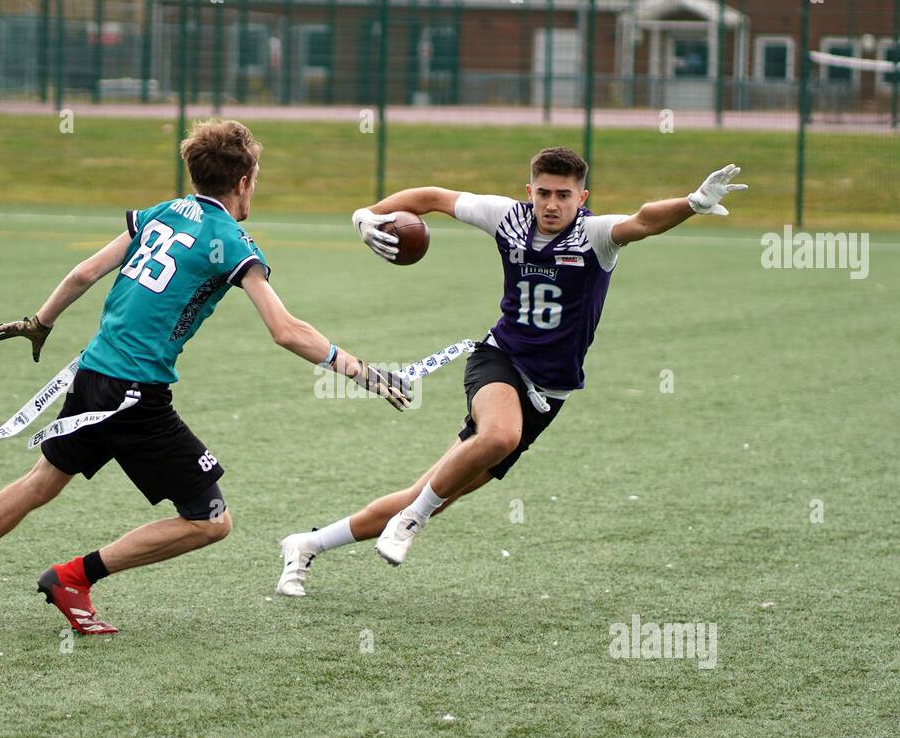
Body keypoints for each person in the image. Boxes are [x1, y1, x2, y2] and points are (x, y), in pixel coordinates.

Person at [0, 119, 409, 633]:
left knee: (41, 483)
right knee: (210, 522)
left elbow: (84, 273)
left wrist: (40, 323)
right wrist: (364, 372)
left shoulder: (162, 212)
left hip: (92, 374)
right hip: (135, 396)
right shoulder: (231, 241)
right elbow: (286, 330)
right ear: (245, 181)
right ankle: (73, 577)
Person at [275, 149, 746, 596]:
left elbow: (643, 221)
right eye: (543, 193)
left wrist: (693, 203)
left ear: (582, 198)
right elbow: (434, 197)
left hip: (551, 392)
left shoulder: (596, 234)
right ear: (530, 192)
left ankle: (308, 543)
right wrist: (367, 213)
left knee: (429, 491)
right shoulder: (508, 217)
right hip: (499, 359)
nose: (551, 204)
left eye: (564, 195)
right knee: (497, 438)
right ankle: (411, 522)